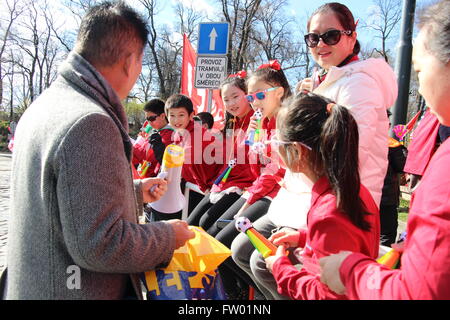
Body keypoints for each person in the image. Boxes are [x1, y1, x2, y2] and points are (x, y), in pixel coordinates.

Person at [3, 1, 194, 300]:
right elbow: (101, 244)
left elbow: (64, 199)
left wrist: (134, 192)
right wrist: (168, 236)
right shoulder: (90, 122)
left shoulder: (47, 105)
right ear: (130, 62)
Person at [231, 2, 397, 300]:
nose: (320, 44)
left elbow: (344, 152)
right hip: (308, 196)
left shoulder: (359, 84)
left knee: (263, 262)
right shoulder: (324, 80)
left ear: (351, 35)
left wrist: (287, 149)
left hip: (338, 200)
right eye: (312, 38)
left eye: (330, 35)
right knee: (245, 251)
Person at [319, 0, 450, 299]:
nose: (419, 84)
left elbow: (419, 292)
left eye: (418, 68)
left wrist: (352, 271)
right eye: (313, 38)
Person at [263, 92, 380, 300]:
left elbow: (330, 295)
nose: (275, 147)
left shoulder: (329, 212)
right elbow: (347, 243)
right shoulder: (351, 190)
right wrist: (303, 237)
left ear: (298, 151)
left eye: (277, 141)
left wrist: (281, 269)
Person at [186, 71, 258, 299]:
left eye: (235, 97)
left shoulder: (258, 120)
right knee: (192, 226)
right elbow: (225, 160)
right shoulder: (232, 125)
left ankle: (240, 291)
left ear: (249, 94)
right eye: (226, 100)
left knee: (211, 229)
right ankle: (224, 288)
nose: (231, 104)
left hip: (249, 186)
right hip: (227, 183)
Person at [165, 94, 222, 219]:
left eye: (181, 115)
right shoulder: (177, 134)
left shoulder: (196, 133)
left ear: (191, 115)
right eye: (172, 115)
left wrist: (204, 188)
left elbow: (189, 160)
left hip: (212, 186)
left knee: (193, 225)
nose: (176, 120)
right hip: (195, 186)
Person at [379, 111, 407, 247]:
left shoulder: (356, 139)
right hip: (386, 198)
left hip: (361, 196)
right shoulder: (391, 144)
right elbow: (402, 166)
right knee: (386, 234)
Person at [132, 98, 175, 178]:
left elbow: (140, 155)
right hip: (146, 176)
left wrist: (139, 142)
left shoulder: (168, 135)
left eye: (151, 119)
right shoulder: (155, 132)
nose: (149, 122)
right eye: (147, 119)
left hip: (154, 180)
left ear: (162, 116)